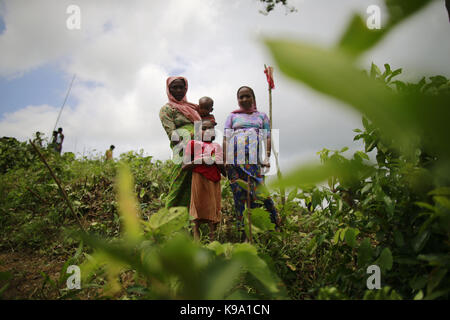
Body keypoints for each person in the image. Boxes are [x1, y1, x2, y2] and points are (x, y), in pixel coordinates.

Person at [223, 86, 280, 239]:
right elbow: (225, 138)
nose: (244, 99)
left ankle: (270, 225)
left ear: (253, 98)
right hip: (234, 160)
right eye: (241, 97)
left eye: (247, 96)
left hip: (253, 160)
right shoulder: (232, 116)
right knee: (238, 194)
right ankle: (243, 233)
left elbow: (267, 137)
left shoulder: (261, 116)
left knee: (258, 191)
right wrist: (225, 159)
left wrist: (267, 157)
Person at [159, 76, 202, 208]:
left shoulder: (194, 108)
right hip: (182, 151)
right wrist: (187, 151)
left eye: (181, 87)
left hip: (199, 150)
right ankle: (169, 220)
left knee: (196, 185)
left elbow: (203, 127)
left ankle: (193, 223)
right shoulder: (166, 110)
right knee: (178, 184)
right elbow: (171, 132)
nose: (178, 90)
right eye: (174, 87)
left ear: (186, 89)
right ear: (169, 89)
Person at [182, 120, 224, 241]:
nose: (206, 131)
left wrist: (217, 162)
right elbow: (184, 166)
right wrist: (200, 160)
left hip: (214, 180)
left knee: (213, 205)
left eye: (210, 128)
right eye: (203, 128)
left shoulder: (217, 146)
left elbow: (221, 167)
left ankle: (212, 238)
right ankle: (196, 237)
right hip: (198, 178)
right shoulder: (192, 144)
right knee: (197, 205)